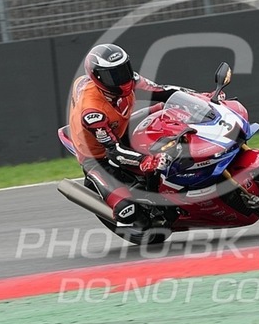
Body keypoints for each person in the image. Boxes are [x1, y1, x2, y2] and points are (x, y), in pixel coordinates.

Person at [68, 43, 192, 228]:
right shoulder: (92, 113)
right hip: (98, 156)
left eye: (123, 70)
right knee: (126, 210)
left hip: (122, 127)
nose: (123, 79)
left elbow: (162, 91)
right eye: (114, 75)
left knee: (167, 110)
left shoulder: (131, 79)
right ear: (99, 78)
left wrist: (199, 98)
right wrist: (145, 161)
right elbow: (113, 151)